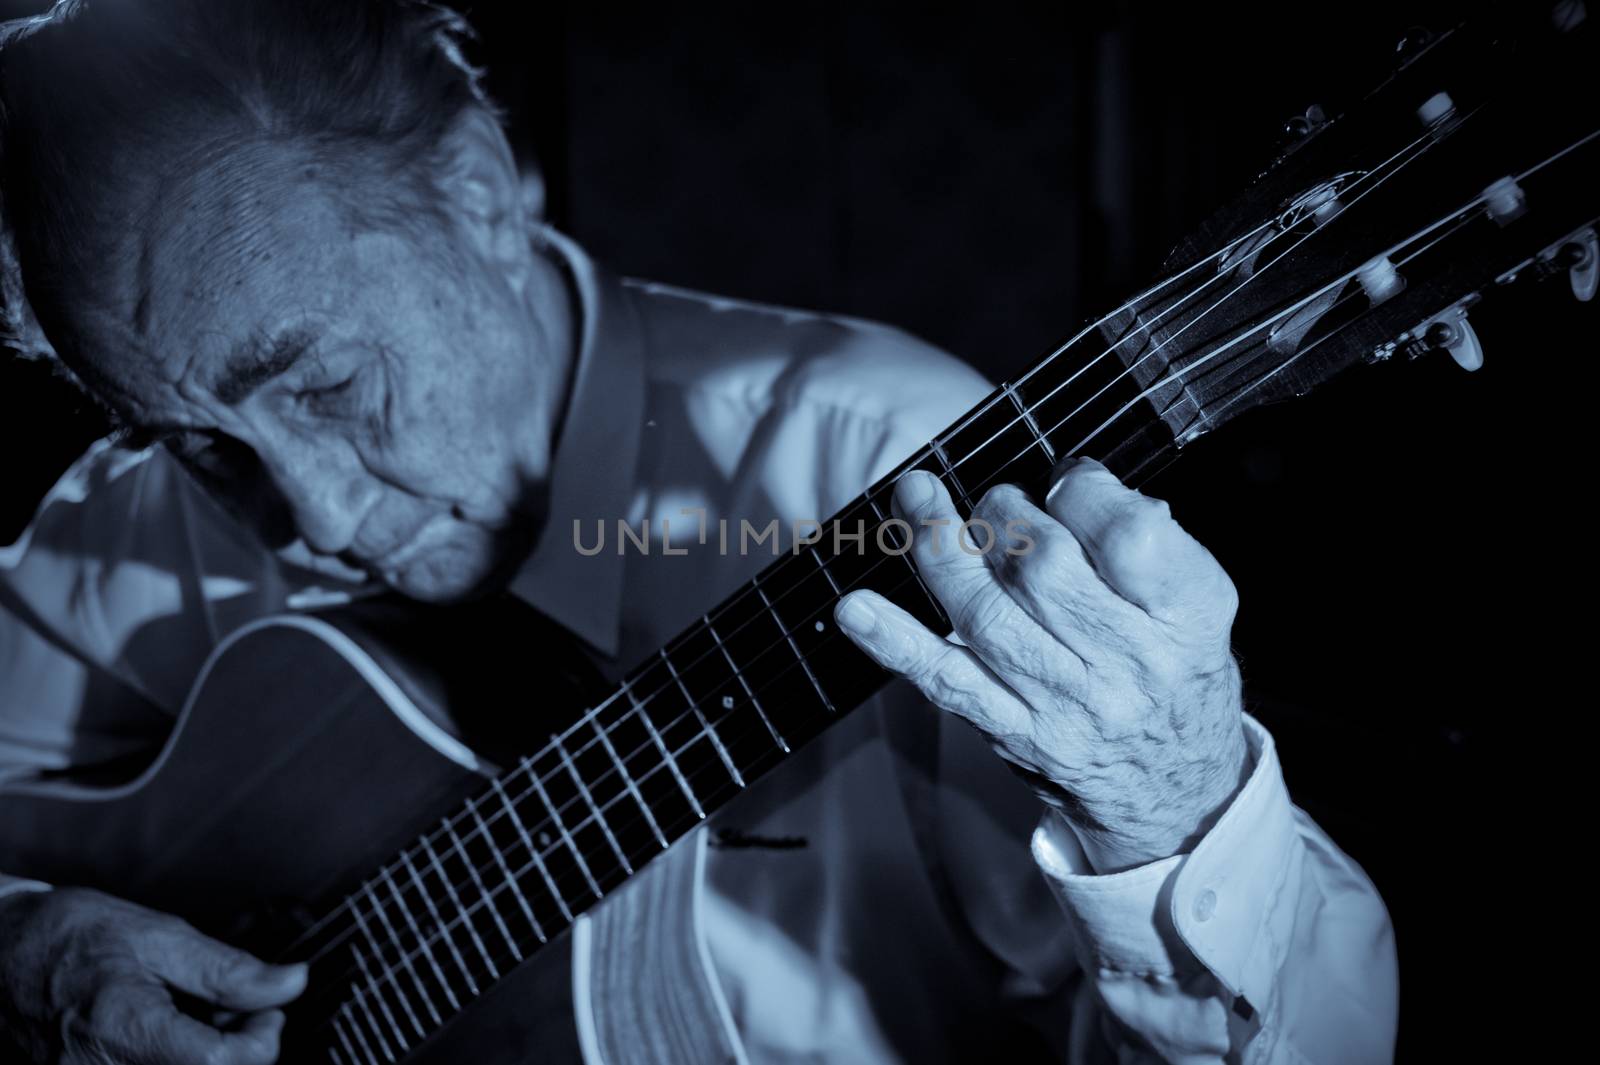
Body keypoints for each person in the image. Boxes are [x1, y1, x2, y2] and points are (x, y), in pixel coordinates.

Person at [0, 2, 1398, 1062]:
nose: (315, 519)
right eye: (196, 440)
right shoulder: (121, 527)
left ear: (479, 194)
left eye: (330, 385)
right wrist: (29, 945)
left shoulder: (877, 471)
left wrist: (1177, 810)